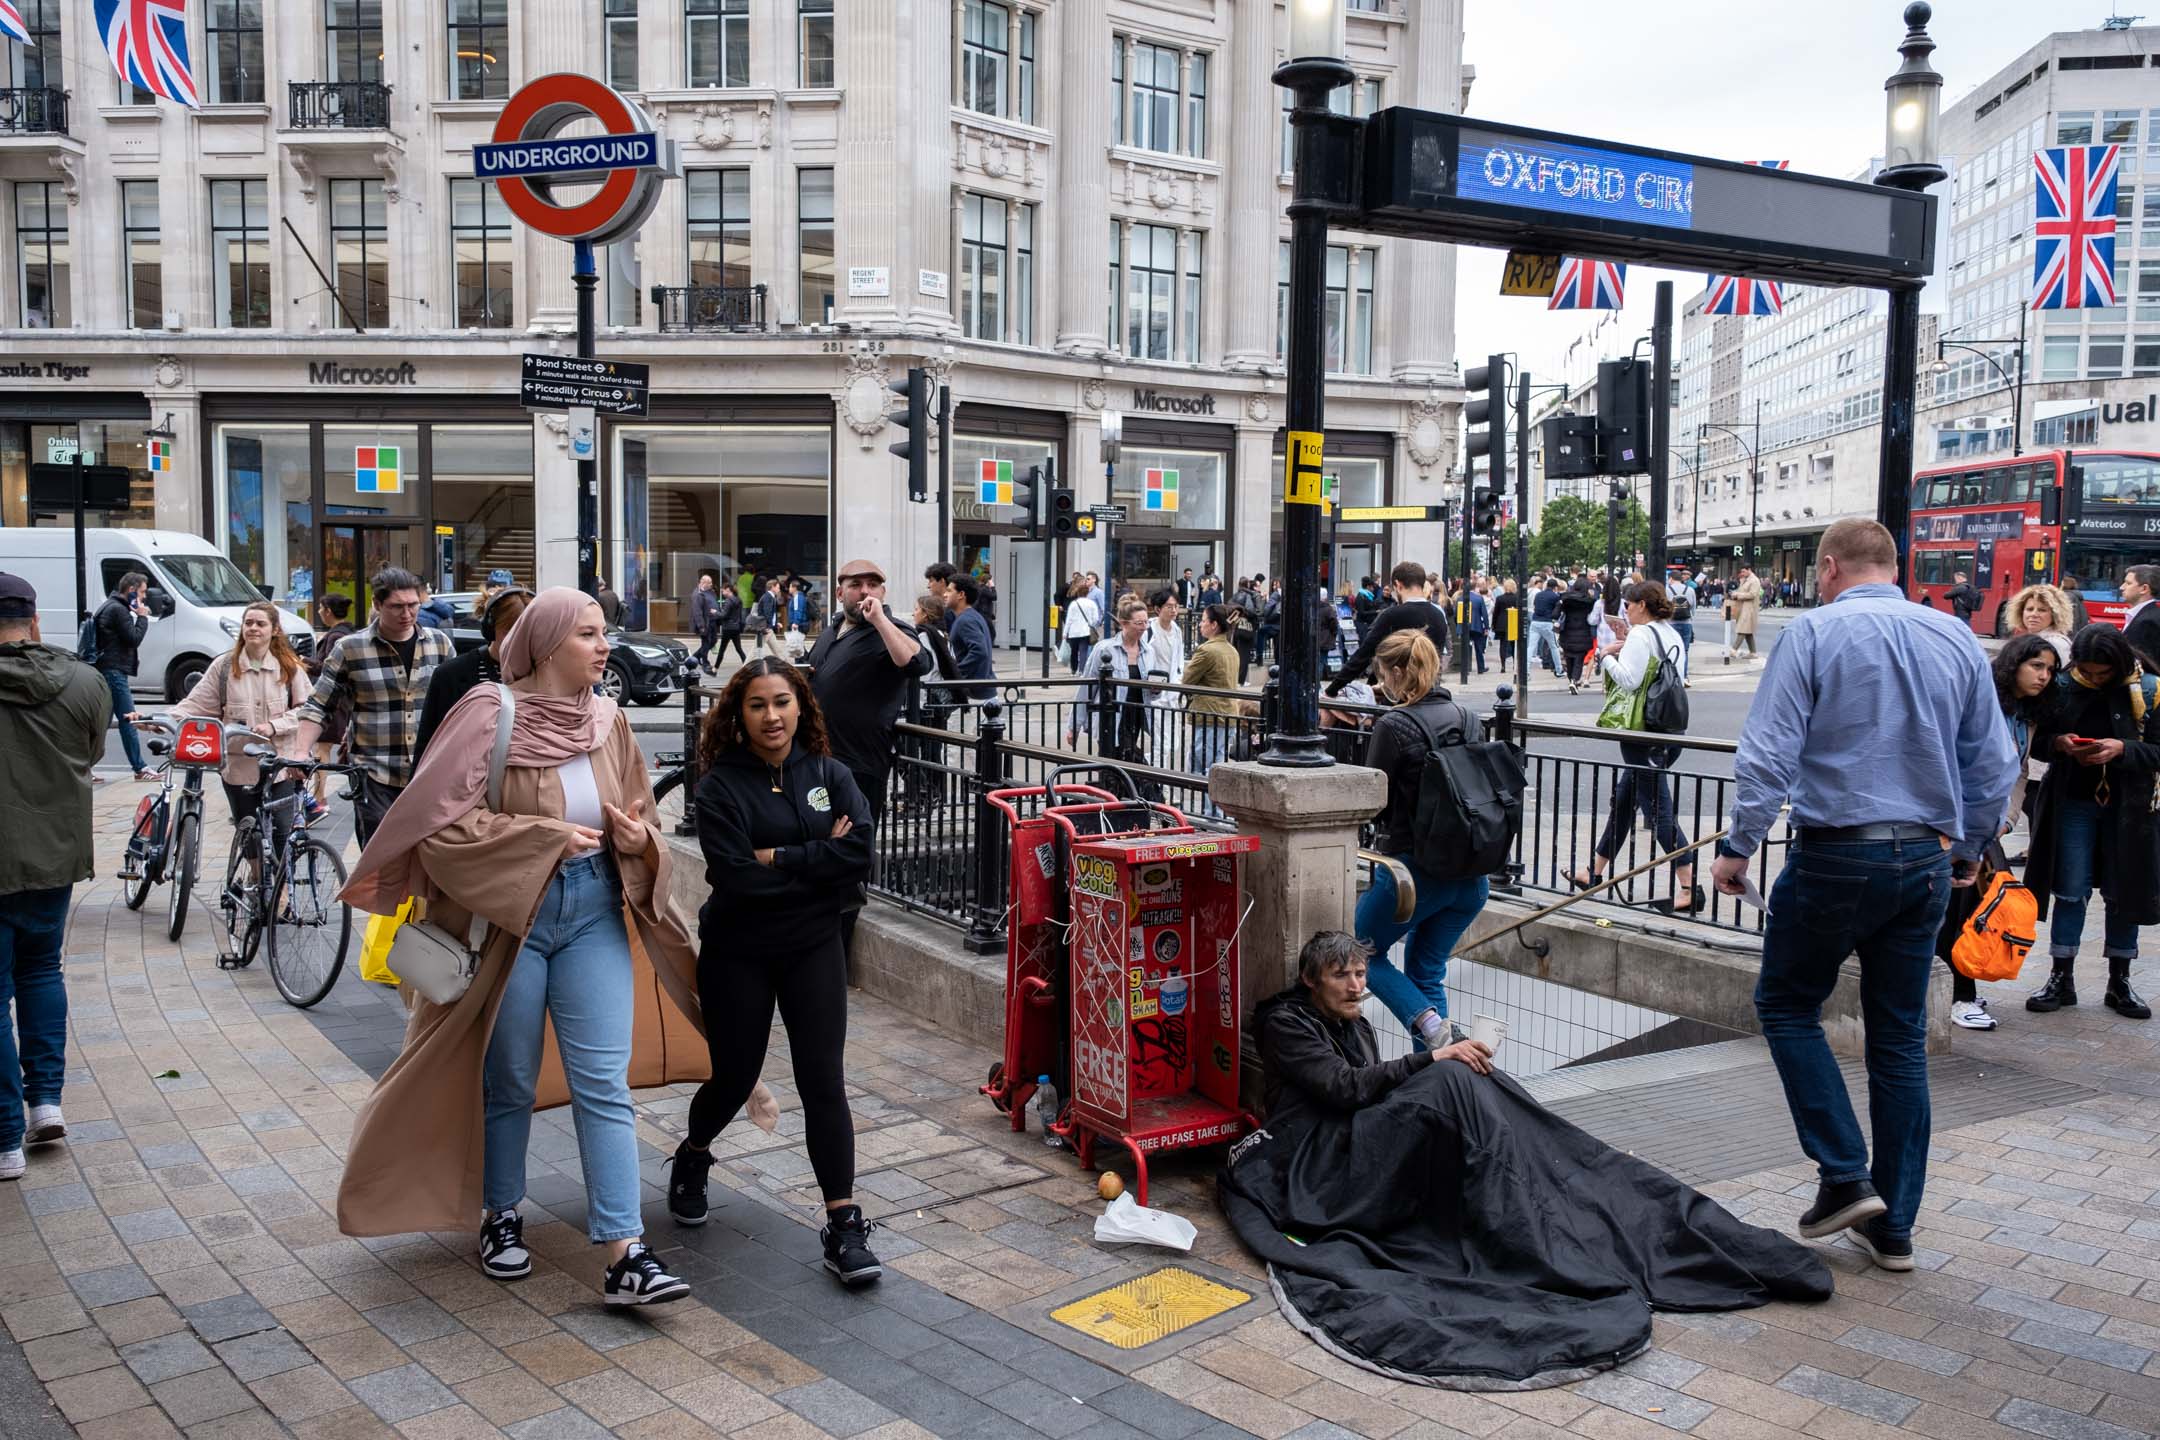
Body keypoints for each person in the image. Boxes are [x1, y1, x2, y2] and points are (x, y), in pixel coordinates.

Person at [335, 589, 725, 1306]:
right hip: (506, 922)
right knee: (509, 1077)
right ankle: (501, 1214)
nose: (604, 646)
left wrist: (640, 842)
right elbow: (442, 830)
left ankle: (624, 1252)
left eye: (604, 633)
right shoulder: (487, 715)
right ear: (545, 645)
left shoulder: (608, 721)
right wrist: (540, 841)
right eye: (588, 634)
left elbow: (642, 820)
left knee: (601, 1084)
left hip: (594, 912)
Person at [1225, 931, 1829, 1390]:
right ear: (1311, 980)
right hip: (1316, 1164)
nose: (1358, 986)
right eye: (1342, 977)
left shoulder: (1350, 1019)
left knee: (1469, 1080)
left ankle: (1536, 1168)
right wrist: (1433, 1062)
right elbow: (1345, 1090)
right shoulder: (1284, 1021)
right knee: (1450, 1080)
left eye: (1361, 974)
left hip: (1355, 1137)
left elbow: (1374, 1089)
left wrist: (1445, 1062)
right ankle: (1520, 1206)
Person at [1712, 519, 2018, 1271]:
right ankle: (1895, 1226)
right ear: (1895, 566)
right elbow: (1993, 763)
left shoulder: (1815, 634)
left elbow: (1770, 749)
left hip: (1837, 853)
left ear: (1830, 567)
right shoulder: (1954, 638)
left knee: (1786, 1004)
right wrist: (1972, 851)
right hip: (1924, 860)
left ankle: (1845, 1174)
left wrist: (1737, 846)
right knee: (1898, 1037)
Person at [673, 658, 883, 1286]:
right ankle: (694, 1153)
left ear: (801, 707)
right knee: (734, 1077)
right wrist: (817, 867)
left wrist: (781, 858)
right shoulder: (718, 787)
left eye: (782, 702)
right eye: (758, 704)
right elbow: (735, 877)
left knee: (823, 1080)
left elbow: (859, 852)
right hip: (739, 949)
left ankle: (843, 1224)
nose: (772, 716)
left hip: (814, 946)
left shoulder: (830, 773)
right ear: (738, 715)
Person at [0, 573, 109, 1181]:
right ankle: (45, 1102)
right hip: (54, 854)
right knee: (41, 969)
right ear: (33, 621)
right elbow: (90, 755)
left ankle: (4, 1140)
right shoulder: (85, 681)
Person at [1352, 630, 1490, 1050]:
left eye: (1381, 674)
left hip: (1412, 876)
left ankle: (1432, 1028)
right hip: (1471, 876)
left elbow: (1373, 800)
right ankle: (1438, 1069)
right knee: (1426, 971)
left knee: (1360, 953)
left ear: (1396, 672)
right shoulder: (1469, 719)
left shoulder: (1394, 725)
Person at [2022, 623, 2157, 1020]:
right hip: (2073, 802)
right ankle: (2061, 977)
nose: (2094, 680)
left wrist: (2123, 748)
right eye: (2087, 672)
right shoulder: (2060, 686)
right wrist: (2062, 744)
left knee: (2123, 890)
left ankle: (2120, 980)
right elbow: (2040, 741)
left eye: (2103, 675)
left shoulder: (2148, 689)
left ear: (2118, 665)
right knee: (2070, 889)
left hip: (2129, 808)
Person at [1934, 634, 2059, 1032]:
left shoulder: (2027, 715)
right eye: (2036, 666)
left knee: (1975, 909)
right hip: (1958, 824)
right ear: (2014, 665)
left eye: (2050, 670)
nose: (2044, 676)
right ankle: (1958, 995)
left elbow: (2018, 771)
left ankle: (1957, 989)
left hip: (1987, 827)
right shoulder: (1982, 704)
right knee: (1960, 910)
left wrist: (2007, 819)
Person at [287, 567, 456, 846]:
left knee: (429, 861)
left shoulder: (439, 645)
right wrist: (301, 751)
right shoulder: (350, 648)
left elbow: (458, 707)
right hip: (374, 775)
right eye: (396, 607)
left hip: (428, 773)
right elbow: (319, 705)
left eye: (413, 605)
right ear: (377, 605)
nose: (407, 614)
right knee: (380, 863)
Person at [1568, 583, 1701, 914]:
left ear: (1642, 604)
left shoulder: (1642, 636)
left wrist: (1605, 656)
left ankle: (1689, 887)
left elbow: (1629, 679)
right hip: (1669, 731)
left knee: (1659, 813)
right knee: (1625, 804)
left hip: (1643, 735)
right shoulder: (1667, 632)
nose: (1625, 609)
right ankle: (1593, 873)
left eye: (1628, 604)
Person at [170, 600, 313, 855]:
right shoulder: (224, 666)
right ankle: (256, 880)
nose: (253, 628)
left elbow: (308, 709)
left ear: (275, 630)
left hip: (281, 764)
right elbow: (196, 704)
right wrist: (165, 720)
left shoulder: (290, 668)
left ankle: (277, 892)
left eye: (260, 623)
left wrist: (274, 725)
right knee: (249, 833)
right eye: (248, 623)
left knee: (282, 831)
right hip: (239, 768)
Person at [806, 559, 933, 822]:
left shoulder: (893, 629)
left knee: (854, 841)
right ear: (840, 593)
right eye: (855, 585)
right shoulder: (831, 631)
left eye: (873, 585)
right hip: (817, 756)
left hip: (859, 762)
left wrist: (880, 621)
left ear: (882, 593)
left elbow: (918, 662)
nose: (865, 591)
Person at [415, 586, 534, 762]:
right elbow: (428, 747)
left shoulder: (545, 673)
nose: (518, 640)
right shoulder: (451, 675)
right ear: (490, 629)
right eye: (509, 631)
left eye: (526, 633)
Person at [1325, 561, 1450, 700]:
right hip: (1428, 692)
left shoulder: (1392, 615)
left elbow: (1363, 656)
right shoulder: (1438, 615)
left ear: (1398, 585)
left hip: (1397, 694)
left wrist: (1332, 689)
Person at [1069, 596, 1152, 763]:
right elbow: (1087, 688)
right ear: (1123, 623)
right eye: (1139, 623)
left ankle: (1114, 788)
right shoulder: (1105, 649)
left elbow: (1151, 691)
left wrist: (1156, 689)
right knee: (1120, 760)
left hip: (1135, 717)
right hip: (1111, 717)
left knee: (1121, 763)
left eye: (1146, 622)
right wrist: (1074, 725)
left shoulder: (1148, 651)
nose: (1144, 628)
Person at [93, 570, 156, 781]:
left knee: (102, 723)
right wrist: (142, 616)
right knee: (129, 719)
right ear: (131, 590)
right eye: (142, 592)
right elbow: (133, 638)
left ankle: (83, 768)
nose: (144, 597)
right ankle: (140, 768)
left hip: (108, 670)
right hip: (113, 672)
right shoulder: (118, 610)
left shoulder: (110, 606)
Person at [306, 593, 356, 814]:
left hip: (334, 702)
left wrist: (306, 664)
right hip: (342, 702)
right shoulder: (346, 633)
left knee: (322, 748)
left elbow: (328, 668)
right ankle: (319, 796)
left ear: (328, 611)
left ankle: (319, 798)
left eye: (320, 608)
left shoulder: (336, 637)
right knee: (323, 747)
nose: (318, 612)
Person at [1180, 604, 1242, 774]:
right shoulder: (1232, 650)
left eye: (1203, 620)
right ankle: (1215, 801)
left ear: (1214, 625)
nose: (1200, 624)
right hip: (1228, 715)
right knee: (1218, 765)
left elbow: (1186, 680)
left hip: (1210, 716)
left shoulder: (1207, 650)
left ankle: (1207, 802)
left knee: (1204, 769)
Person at [944, 574, 996, 699]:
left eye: (949, 591)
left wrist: (956, 673)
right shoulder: (971, 616)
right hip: (981, 691)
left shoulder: (966, 620)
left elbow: (979, 651)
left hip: (976, 694)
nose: (944, 594)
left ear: (961, 595)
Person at [2004, 582, 2074, 666]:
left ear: (2055, 615)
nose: (2034, 614)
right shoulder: (2032, 638)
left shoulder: (2056, 643)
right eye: (2030, 609)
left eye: (2042, 610)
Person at [1557, 577, 1598, 693]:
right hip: (1583, 633)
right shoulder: (1589, 601)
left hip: (1567, 632)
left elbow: (1556, 613)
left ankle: (1571, 680)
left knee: (1569, 657)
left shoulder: (1565, 599)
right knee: (1579, 659)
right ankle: (1574, 680)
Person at [1061, 575, 1101, 674]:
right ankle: (1082, 670)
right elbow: (1095, 619)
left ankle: (1073, 669)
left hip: (1074, 631)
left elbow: (1069, 619)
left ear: (1078, 593)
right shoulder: (1091, 604)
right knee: (1083, 651)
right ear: (1087, 592)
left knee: (1074, 651)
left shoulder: (1074, 604)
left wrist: (1065, 633)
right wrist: (1090, 624)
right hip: (1085, 631)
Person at [2121, 563, 2160, 661]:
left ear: (2144, 589)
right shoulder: (2148, 614)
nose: (2122, 587)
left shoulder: (2148, 622)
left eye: (2128, 583)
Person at [1724, 566, 1762, 663]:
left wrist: (1738, 595)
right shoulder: (1746, 580)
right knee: (1748, 631)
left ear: (1749, 570)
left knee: (1743, 628)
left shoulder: (1754, 581)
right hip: (1743, 607)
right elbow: (1743, 591)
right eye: (1741, 571)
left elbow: (1752, 594)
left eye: (1744, 571)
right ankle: (1753, 652)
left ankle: (1733, 650)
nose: (1742, 573)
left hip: (1749, 608)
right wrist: (1735, 593)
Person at [1530, 577, 1564, 678]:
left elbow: (1535, 606)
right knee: (1554, 647)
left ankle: (1526, 672)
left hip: (1535, 622)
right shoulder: (1555, 596)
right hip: (1547, 623)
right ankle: (1559, 670)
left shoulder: (1538, 594)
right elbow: (1557, 610)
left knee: (1530, 648)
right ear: (1555, 587)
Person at [689, 574, 723, 674]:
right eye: (710, 583)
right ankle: (705, 663)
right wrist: (701, 626)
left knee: (713, 641)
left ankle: (694, 657)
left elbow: (714, 603)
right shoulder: (698, 594)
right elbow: (697, 612)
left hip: (712, 622)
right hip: (705, 623)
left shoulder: (710, 592)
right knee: (706, 642)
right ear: (703, 582)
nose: (712, 584)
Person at [1665, 569, 1698, 656]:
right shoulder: (1690, 590)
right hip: (1686, 623)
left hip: (1671, 623)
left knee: (1673, 651)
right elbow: (1693, 608)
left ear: (1671, 578)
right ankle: (1683, 669)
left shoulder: (1667, 590)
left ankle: (1675, 669)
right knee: (1684, 651)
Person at [1463, 582, 1490, 675]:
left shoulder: (1460, 598)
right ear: (1474, 588)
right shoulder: (1479, 598)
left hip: (1465, 627)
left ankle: (1465, 669)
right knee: (1478, 648)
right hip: (1477, 626)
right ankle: (1481, 667)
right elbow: (1484, 614)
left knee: (1465, 647)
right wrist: (1486, 627)